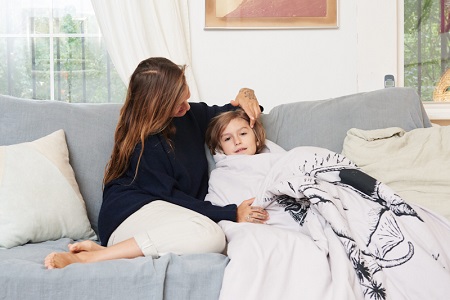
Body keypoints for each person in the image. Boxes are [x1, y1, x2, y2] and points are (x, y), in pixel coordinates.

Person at [44, 57, 269, 269]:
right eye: (178, 102)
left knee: (215, 236)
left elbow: (235, 115)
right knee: (211, 236)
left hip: (168, 215)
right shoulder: (144, 145)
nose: (187, 105)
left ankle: (104, 251)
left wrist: (246, 93)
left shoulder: (187, 115)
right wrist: (232, 213)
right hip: (129, 215)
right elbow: (174, 198)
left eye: (185, 94)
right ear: (157, 105)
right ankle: (93, 258)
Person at [204, 109, 303, 231]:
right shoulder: (219, 176)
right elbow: (214, 209)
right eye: (227, 139)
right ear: (220, 148)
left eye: (243, 134)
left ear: (256, 138)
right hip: (252, 228)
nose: (237, 141)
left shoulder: (276, 159)